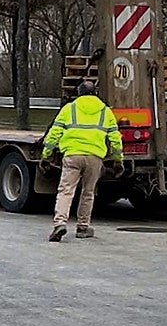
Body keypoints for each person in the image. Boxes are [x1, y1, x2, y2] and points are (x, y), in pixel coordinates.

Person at [41, 79, 123, 241]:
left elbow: (54, 133)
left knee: (65, 191)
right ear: (95, 93)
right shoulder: (105, 111)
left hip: (72, 155)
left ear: (79, 93)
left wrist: (46, 154)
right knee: (88, 193)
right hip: (94, 157)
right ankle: (83, 227)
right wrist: (118, 160)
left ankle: (60, 224)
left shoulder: (69, 109)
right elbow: (115, 138)